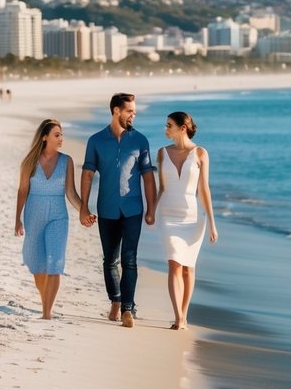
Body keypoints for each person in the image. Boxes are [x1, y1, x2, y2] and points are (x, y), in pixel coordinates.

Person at [80, 93, 156, 328]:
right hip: (107, 208)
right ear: (116, 111)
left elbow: (147, 177)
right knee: (110, 260)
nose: (134, 114)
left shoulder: (140, 141)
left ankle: (127, 309)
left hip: (133, 208)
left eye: (134, 111)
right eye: (130, 111)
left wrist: (151, 208)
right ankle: (115, 300)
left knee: (129, 260)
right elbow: (88, 174)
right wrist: (84, 207)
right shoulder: (96, 140)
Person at [15, 119, 92, 319]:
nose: (61, 139)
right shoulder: (29, 162)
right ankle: (45, 301)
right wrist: (17, 219)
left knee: (55, 263)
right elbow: (22, 191)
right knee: (36, 264)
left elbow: (70, 193)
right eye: (56, 135)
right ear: (44, 137)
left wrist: (84, 210)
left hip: (58, 216)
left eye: (61, 134)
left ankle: (46, 313)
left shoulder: (66, 161)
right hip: (33, 215)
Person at [156, 111, 218, 330]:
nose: (166, 129)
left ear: (183, 128)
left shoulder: (201, 153)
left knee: (188, 268)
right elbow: (161, 187)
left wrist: (212, 222)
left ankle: (184, 313)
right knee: (174, 263)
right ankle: (178, 317)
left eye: (169, 125)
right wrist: (151, 211)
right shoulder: (162, 153)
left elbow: (204, 189)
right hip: (167, 216)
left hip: (192, 219)